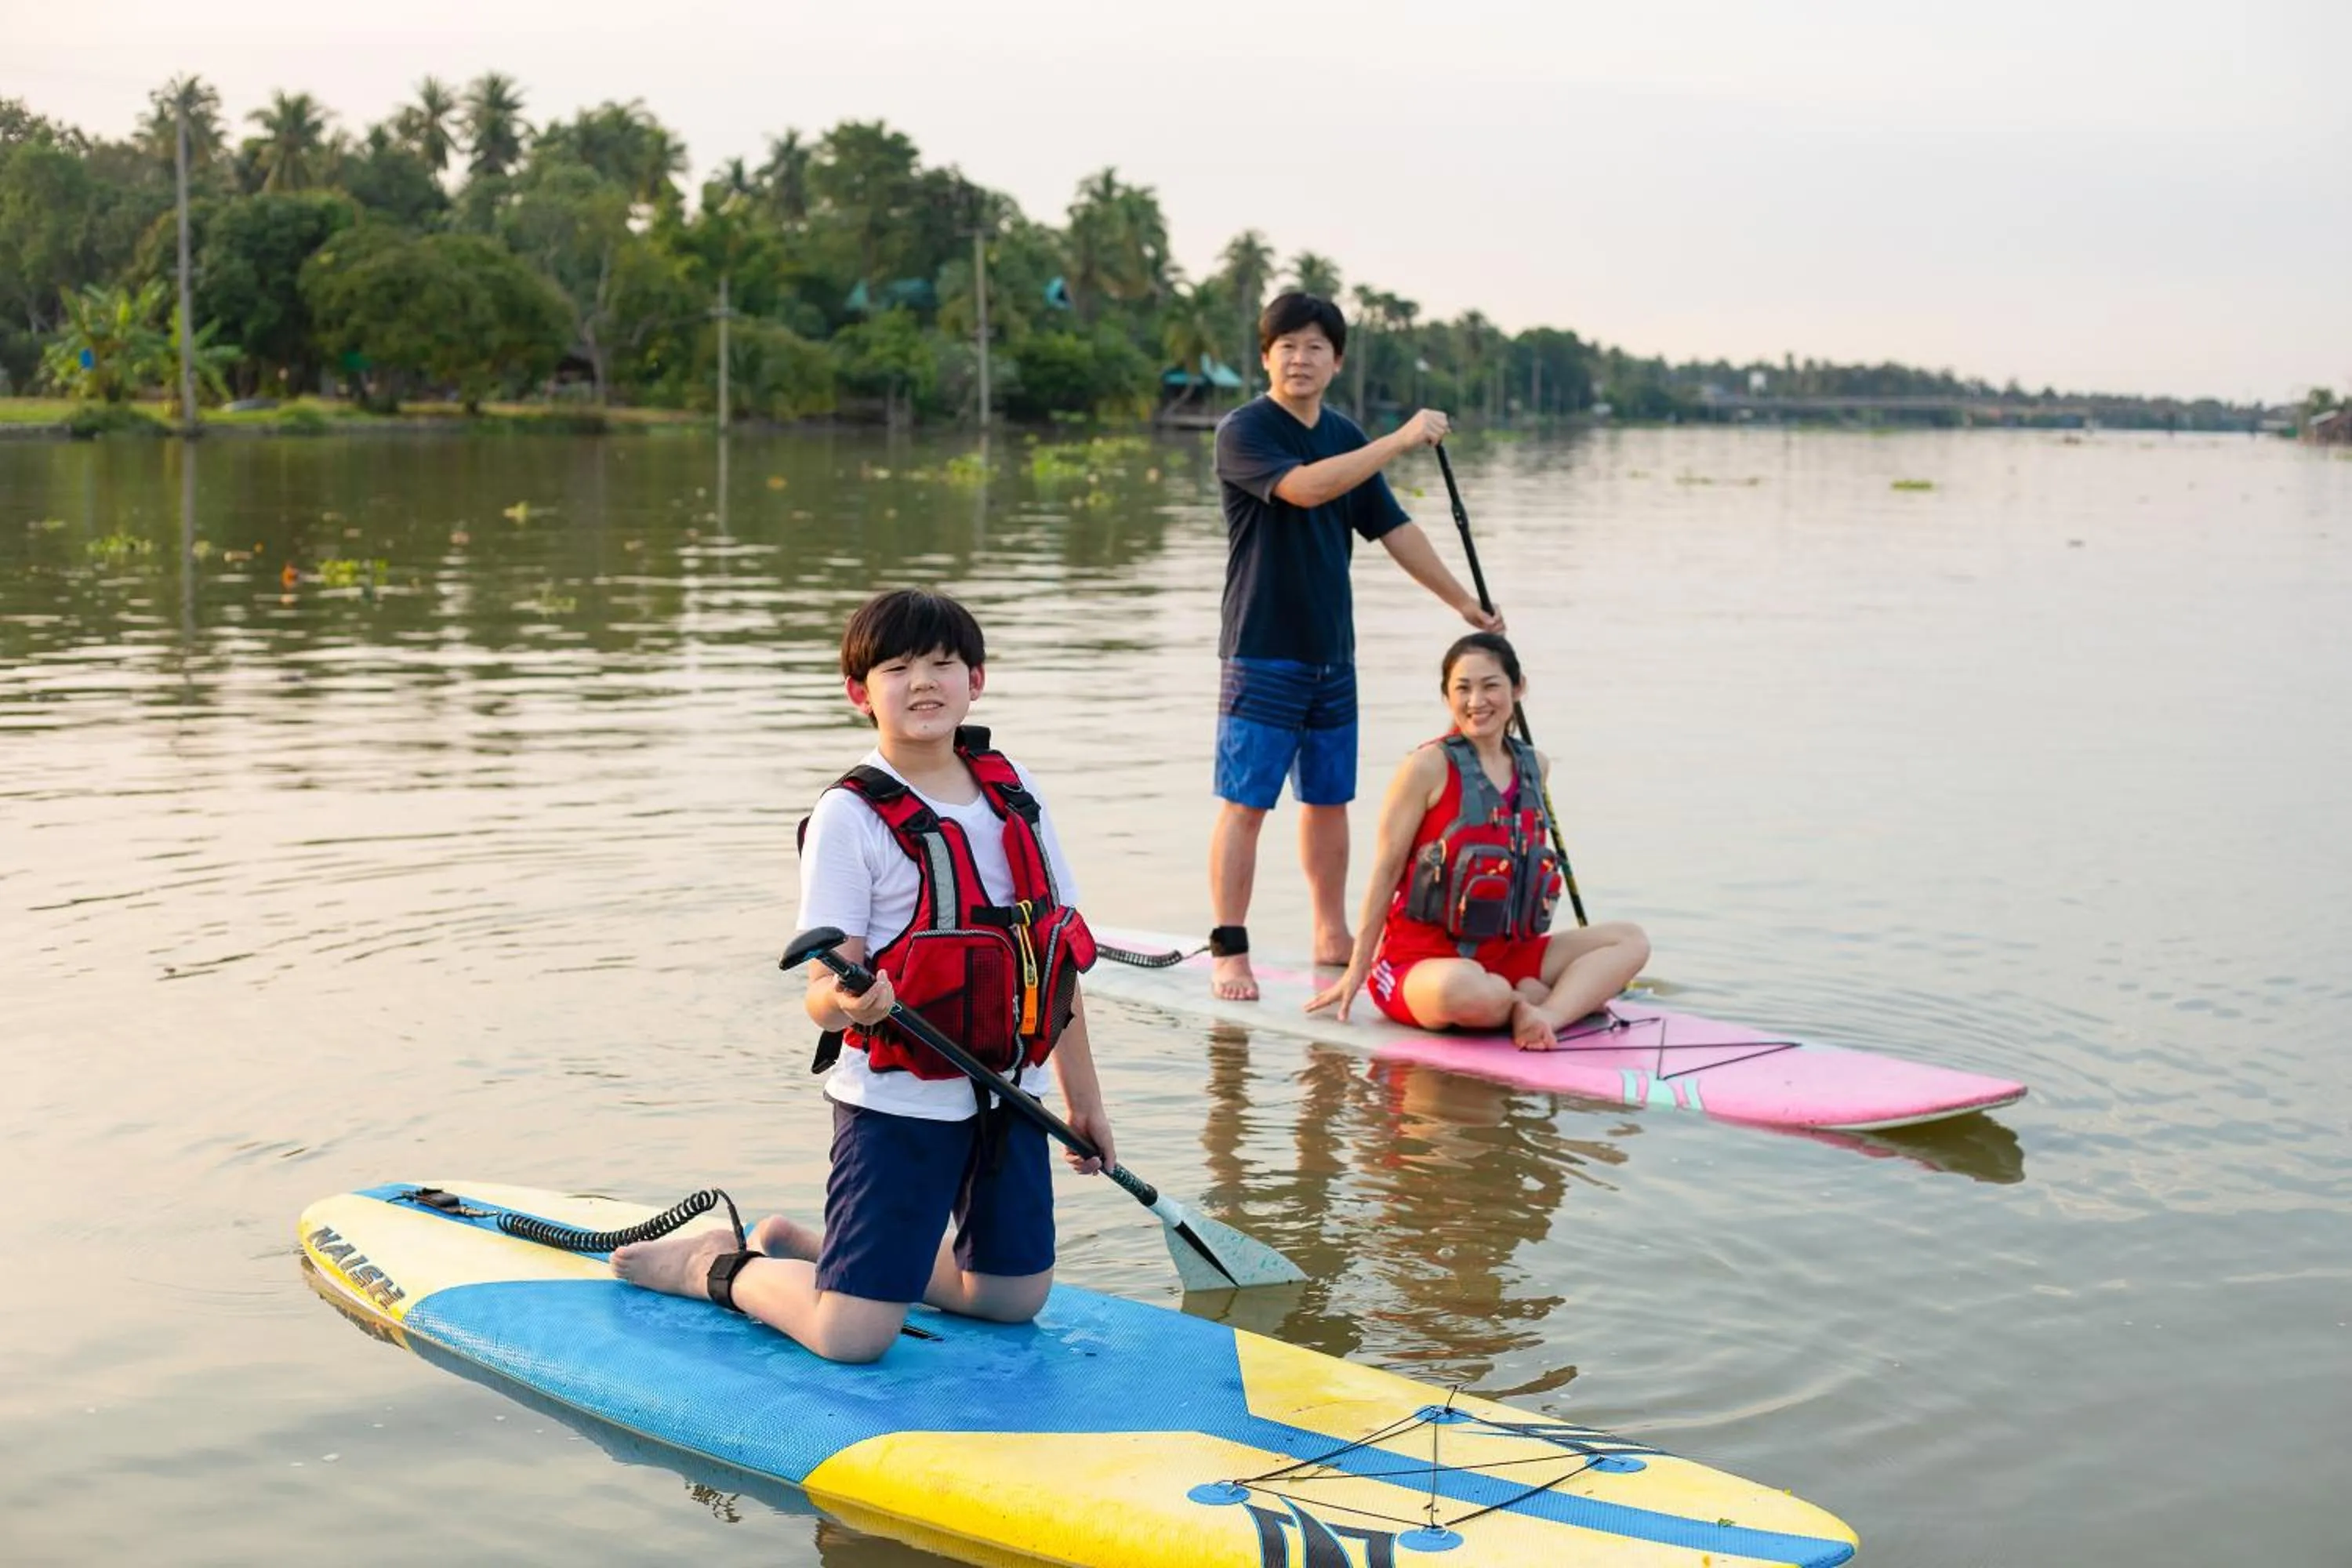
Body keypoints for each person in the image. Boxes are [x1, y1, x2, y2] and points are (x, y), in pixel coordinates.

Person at [612, 589, 1115, 1363]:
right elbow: (820, 994)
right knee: (852, 1339)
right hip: (899, 1103)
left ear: (975, 679)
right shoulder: (851, 815)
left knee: (1012, 1298)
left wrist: (1085, 1102)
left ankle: (809, 1248)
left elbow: (1054, 959)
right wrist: (853, 1000)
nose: (923, 682)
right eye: (898, 666)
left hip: (1010, 1094)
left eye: (943, 663)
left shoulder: (1018, 795)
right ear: (860, 692)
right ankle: (714, 1263)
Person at [1209, 290, 1502, 1002]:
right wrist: (1398, 441)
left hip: (1333, 654)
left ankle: (1330, 934)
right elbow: (1306, 490)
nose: (1299, 358)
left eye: (1314, 347)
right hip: (1262, 647)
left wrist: (1463, 601)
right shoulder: (1244, 431)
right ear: (1266, 357)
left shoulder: (1344, 432)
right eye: (1286, 346)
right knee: (1246, 805)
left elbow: (1394, 529)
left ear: (1336, 361)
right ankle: (1229, 950)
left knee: (1330, 801)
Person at [1306, 632, 1650, 1050]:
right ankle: (1533, 999)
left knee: (1630, 940)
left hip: (1507, 955)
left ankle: (1545, 1014)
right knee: (1461, 988)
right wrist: (1356, 969)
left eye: (1490, 686)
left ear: (1518, 687)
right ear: (1446, 696)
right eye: (1462, 689)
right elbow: (1387, 869)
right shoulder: (1426, 767)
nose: (1476, 701)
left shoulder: (1535, 766)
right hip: (1423, 965)